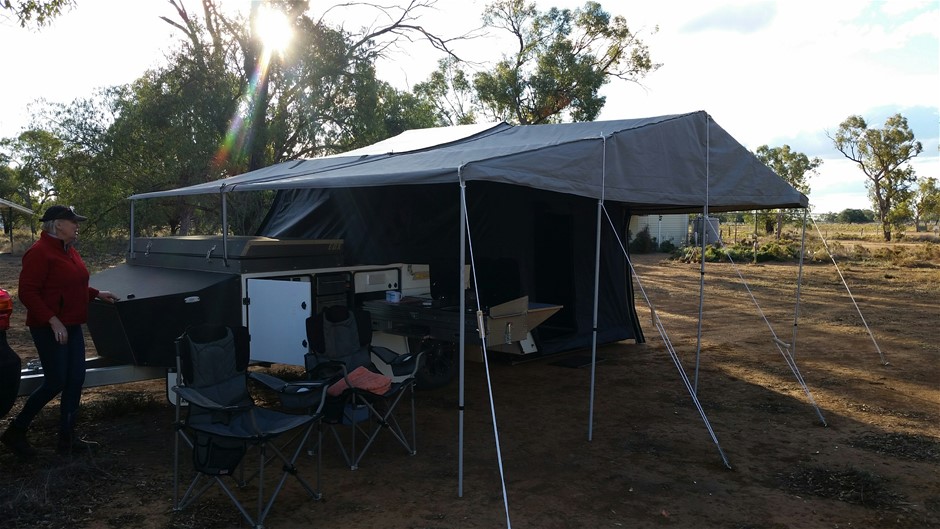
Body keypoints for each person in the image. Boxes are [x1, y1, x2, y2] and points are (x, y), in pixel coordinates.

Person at [0, 205, 119, 458]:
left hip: (72, 325)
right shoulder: (39, 252)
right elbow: (28, 293)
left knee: (75, 380)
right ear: (58, 224)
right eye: (73, 221)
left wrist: (97, 293)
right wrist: (53, 320)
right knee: (56, 381)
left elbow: (73, 285)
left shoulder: (69, 250)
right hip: (49, 329)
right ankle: (16, 431)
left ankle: (67, 440)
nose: (77, 226)